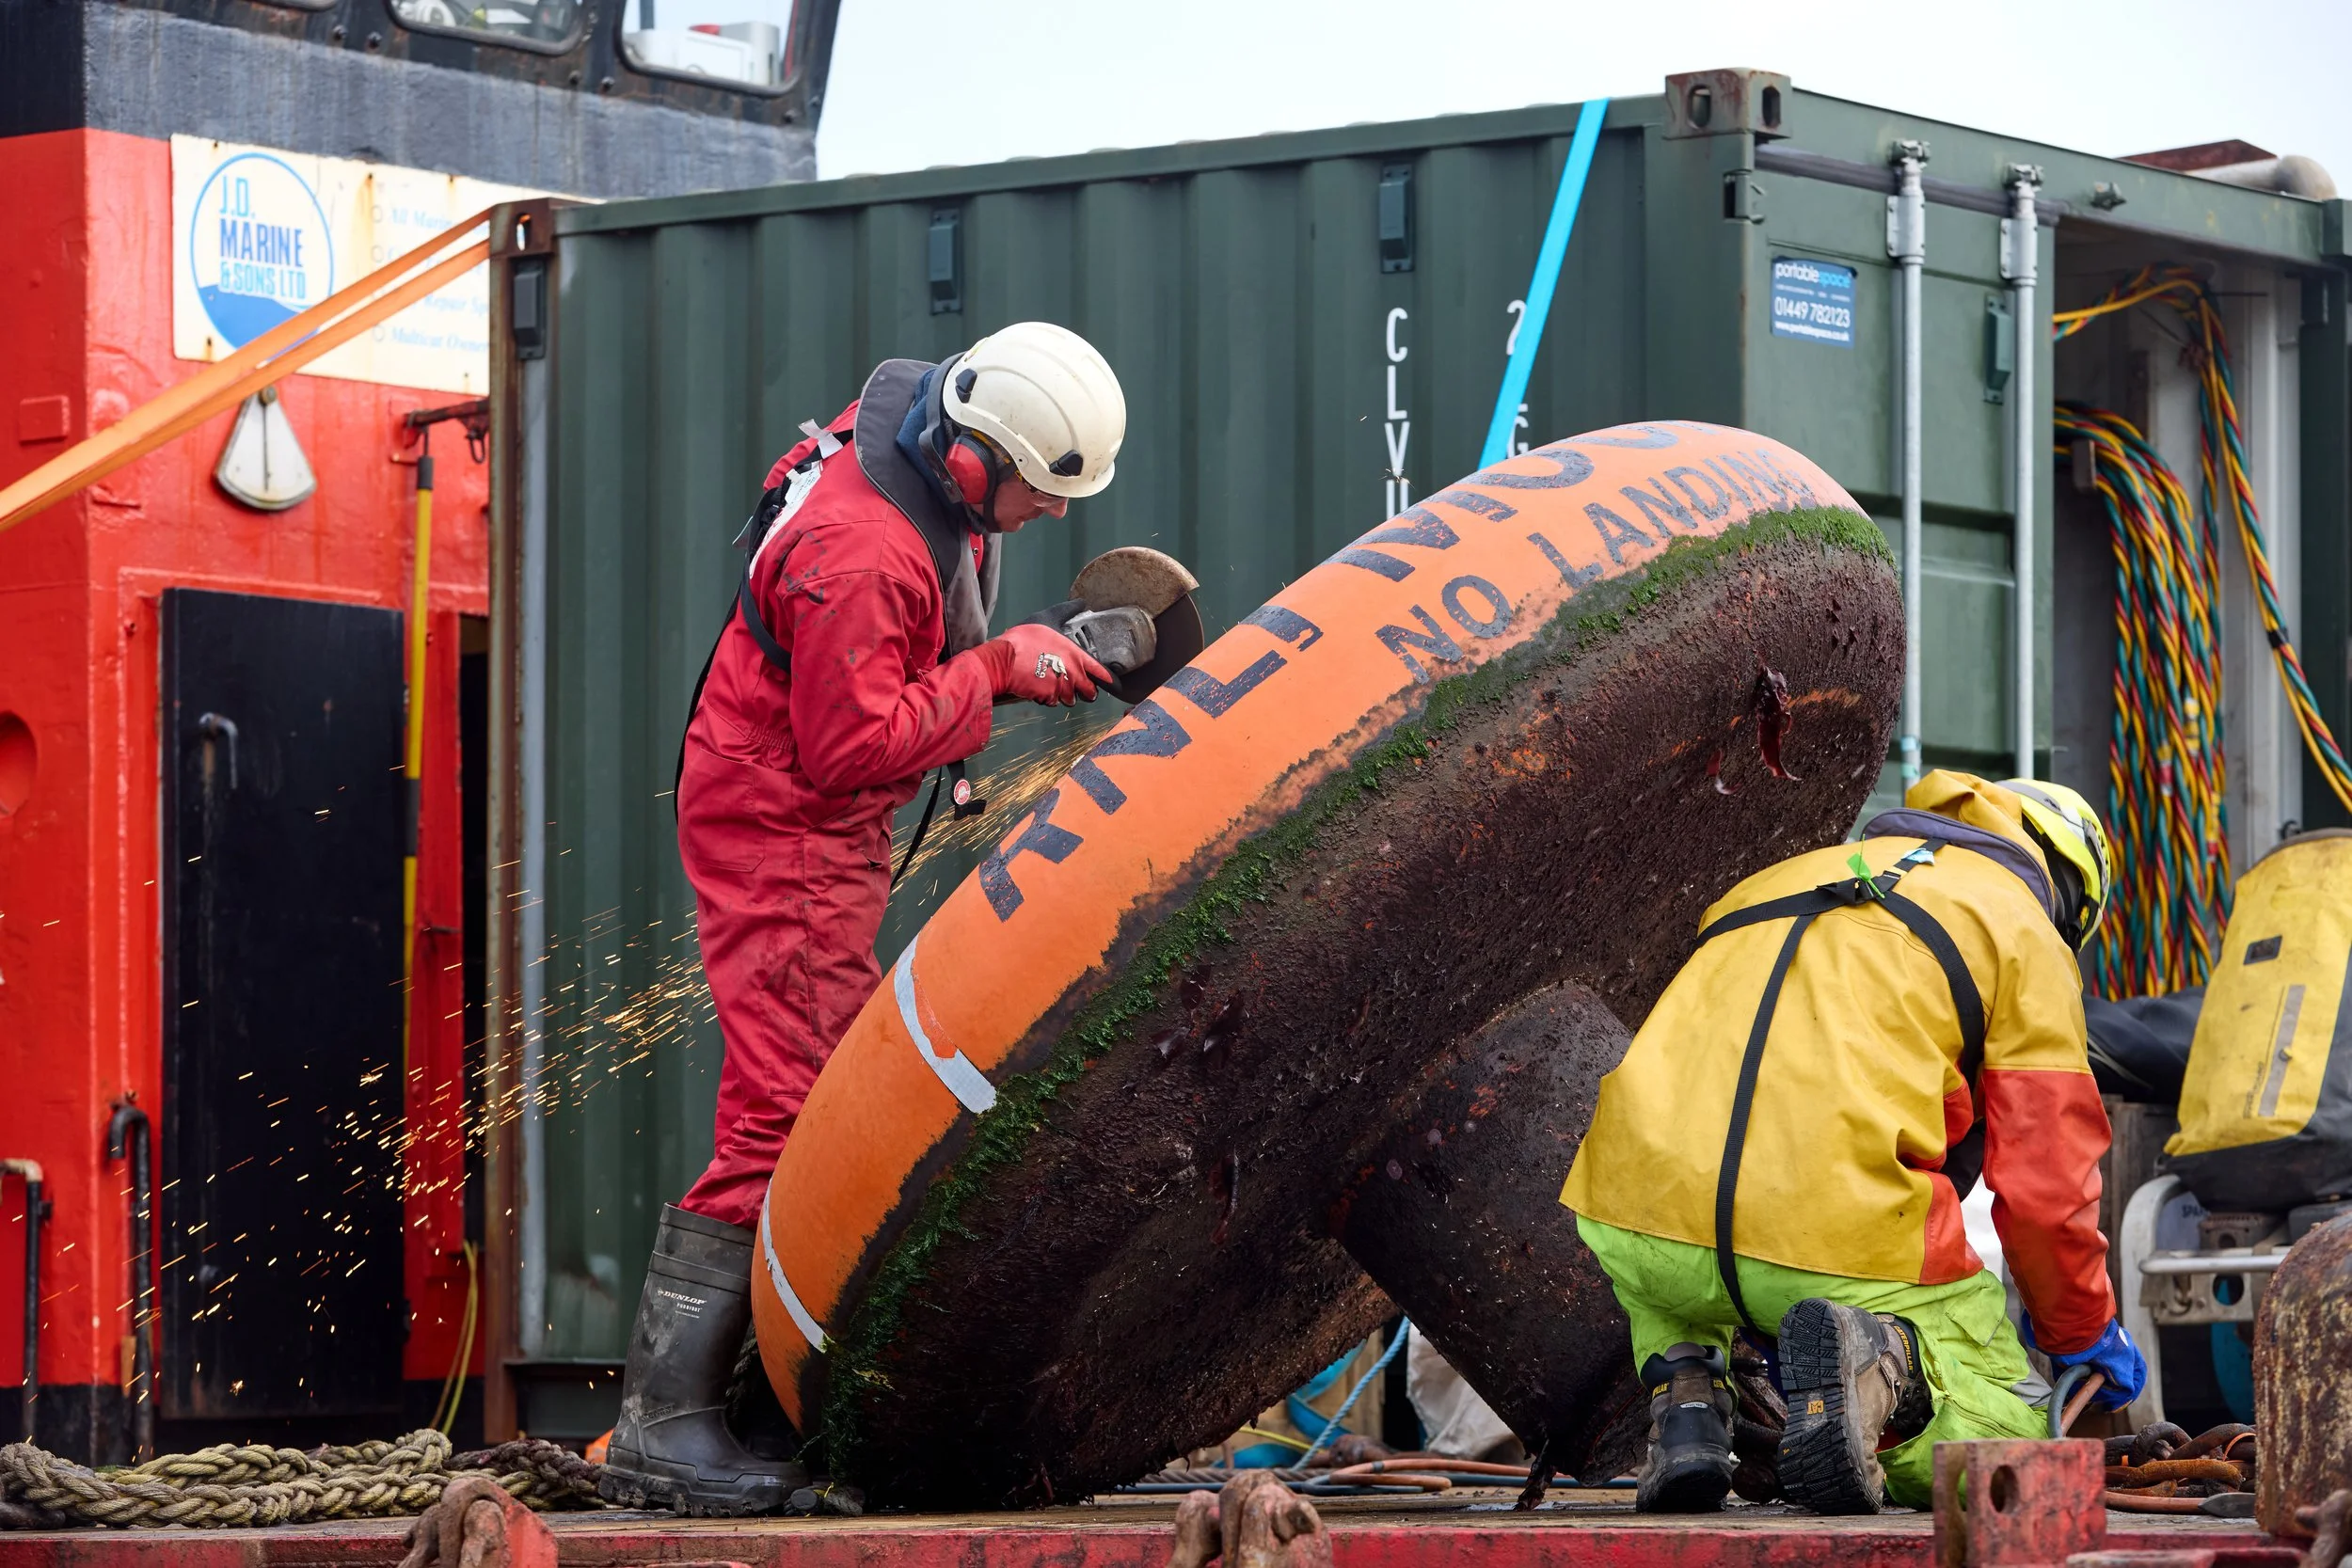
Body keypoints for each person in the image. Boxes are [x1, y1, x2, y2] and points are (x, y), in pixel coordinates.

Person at [600, 323, 1127, 1514]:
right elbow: (849, 749)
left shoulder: (908, 413)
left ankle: (723, 1408)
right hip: (786, 819)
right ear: (976, 457)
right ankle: (664, 1423)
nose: (1049, 517)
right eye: (1039, 495)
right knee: (788, 1114)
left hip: (797, 802)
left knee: (816, 1095)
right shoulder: (862, 551)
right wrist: (995, 673)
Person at [1559, 771, 2147, 1515]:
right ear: (2070, 889)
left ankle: (1688, 1395)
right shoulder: (2021, 927)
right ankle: (1885, 1363)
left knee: (1681, 1291)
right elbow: (2047, 1187)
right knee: (2013, 1444)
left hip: (1633, 1213)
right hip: (1833, 1239)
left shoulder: (1775, 880)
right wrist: (2081, 1329)